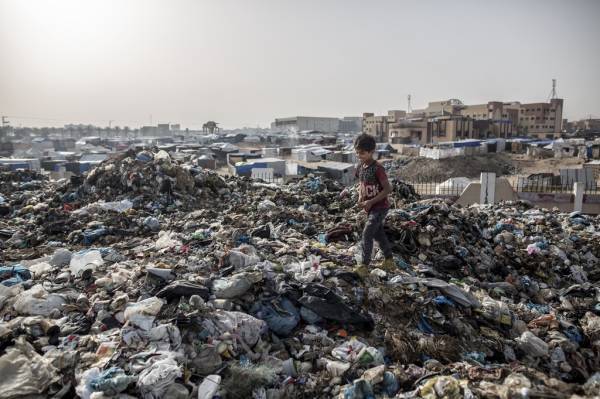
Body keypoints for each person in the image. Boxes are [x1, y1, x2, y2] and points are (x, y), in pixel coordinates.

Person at [353, 134, 395, 278]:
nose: (359, 155)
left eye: (362, 153)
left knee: (367, 233)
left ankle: (364, 265)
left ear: (371, 151)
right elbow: (361, 184)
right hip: (370, 207)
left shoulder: (377, 168)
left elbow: (388, 189)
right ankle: (389, 260)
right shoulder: (361, 167)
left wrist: (370, 201)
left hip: (380, 207)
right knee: (378, 234)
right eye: (357, 152)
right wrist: (361, 198)